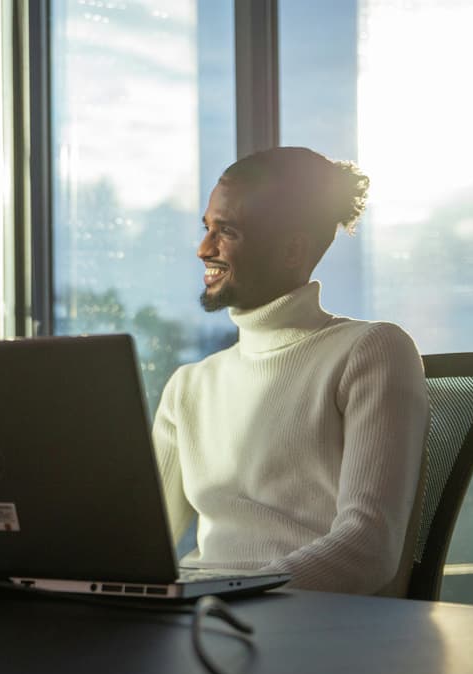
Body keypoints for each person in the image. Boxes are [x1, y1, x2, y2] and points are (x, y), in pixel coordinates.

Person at [152, 146, 429, 595]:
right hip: (206, 621)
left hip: (307, 630)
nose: (204, 249)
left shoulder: (371, 351)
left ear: (291, 249)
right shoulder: (190, 386)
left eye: (227, 232)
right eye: (206, 229)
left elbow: (368, 549)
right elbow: (134, 539)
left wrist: (234, 595)